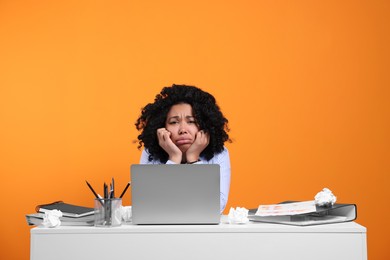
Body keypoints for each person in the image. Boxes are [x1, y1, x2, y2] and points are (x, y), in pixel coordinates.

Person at [135, 84, 231, 213]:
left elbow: (216, 207)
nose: (183, 130)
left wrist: (193, 158)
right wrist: (174, 158)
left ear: (204, 126)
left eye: (191, 121)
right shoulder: (150, 153)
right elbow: (149, 206)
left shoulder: (219, 154)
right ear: (162, 127)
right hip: (161, 231)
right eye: (174, 122)